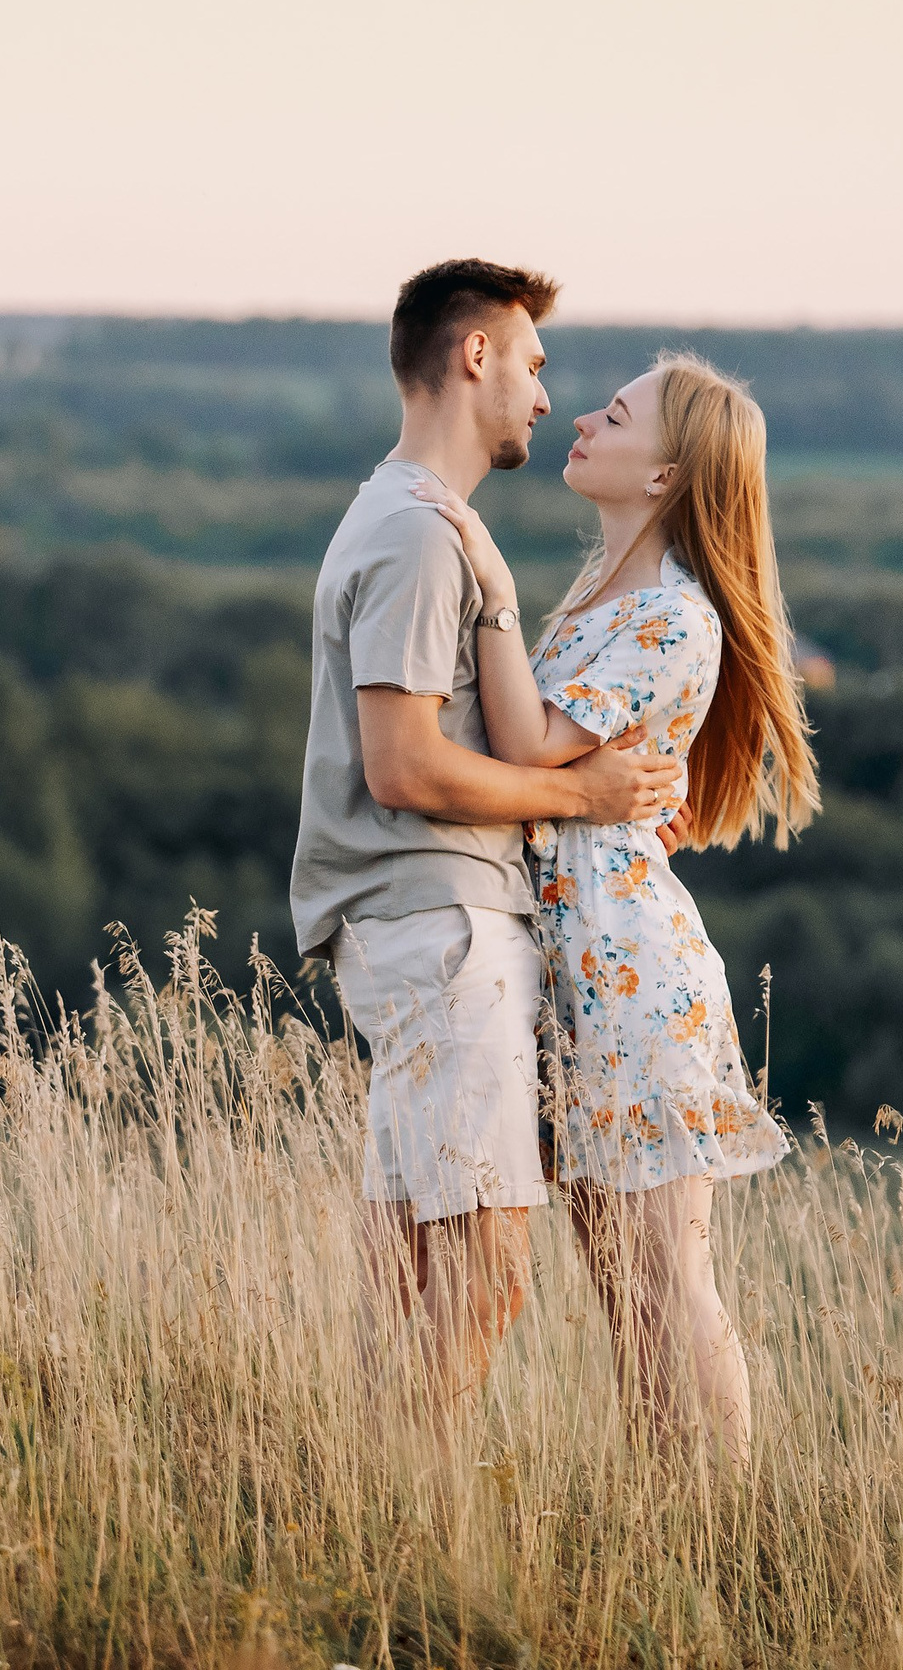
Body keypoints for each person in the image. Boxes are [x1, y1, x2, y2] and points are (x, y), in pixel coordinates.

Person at [408, 352, 820, 1466]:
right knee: (622, 1290)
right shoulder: (605, 599)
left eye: (617, 414)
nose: (582, 417)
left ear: (665, 473)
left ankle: (718, 1533)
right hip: (581, 982)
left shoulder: (670, 619)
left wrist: (482, 584)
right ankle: (668, 1532)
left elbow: (530, 745)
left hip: (631, 982)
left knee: (662, 1286)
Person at [290, 259, 682, 1410]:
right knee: (484, 1267)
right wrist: (587, 799)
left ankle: (365, 1507)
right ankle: (415, 1523)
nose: (546, 397)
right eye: (533, 364)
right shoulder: (418, 537)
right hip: (439, 925)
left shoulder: (420, 524)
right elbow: (403, 765)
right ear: (475, 357)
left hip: (420, 924)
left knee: (412, 1262)